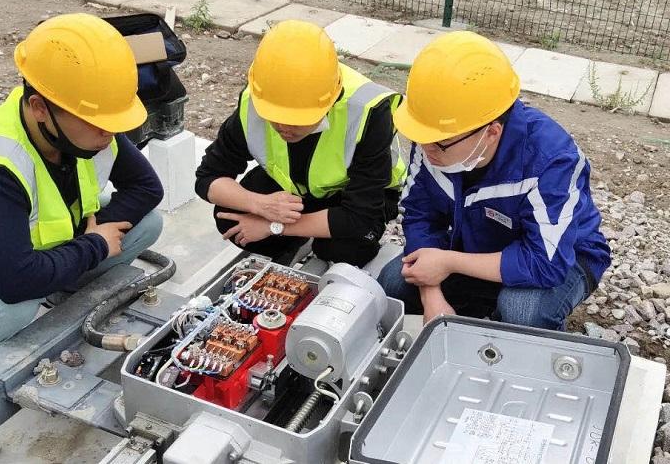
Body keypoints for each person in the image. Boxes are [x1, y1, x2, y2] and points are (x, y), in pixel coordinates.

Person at [0, 13, 164, 358]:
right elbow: (13, 283)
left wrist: (79, 248)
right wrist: (93, 245)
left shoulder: (87, 125)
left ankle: (62, 286)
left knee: (148, 224)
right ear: (39, 108)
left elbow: (146, 188)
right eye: (98, 122)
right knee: (10, 305)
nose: (109, 132)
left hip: (39, 241)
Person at [377, 31, 610, 330]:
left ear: (491, 133)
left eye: (438, 143)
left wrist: (448, 262)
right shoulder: (438, 138)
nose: (425, 149)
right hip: (477, 244)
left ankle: (531, 338)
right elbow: (419, 215)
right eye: (420, 137)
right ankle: (479, 307)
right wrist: (431, 292)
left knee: (521, 311)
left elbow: (545, 263)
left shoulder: (550, 159)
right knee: (393, 283)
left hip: (564, 257)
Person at [195, 20, 405, 267]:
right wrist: (260, 205)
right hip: (297, 189)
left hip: (353, 196)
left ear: (328, 101)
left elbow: (360, 215)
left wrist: (273, 226)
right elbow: (208, 178)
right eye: (274, 116)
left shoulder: (368, 111)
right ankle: (297, 240)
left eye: (298, 119)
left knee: (344, 249)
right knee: (230, 218)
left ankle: (304, 235)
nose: (283, 127)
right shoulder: (260, 95)